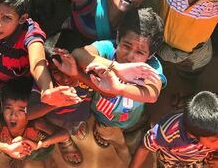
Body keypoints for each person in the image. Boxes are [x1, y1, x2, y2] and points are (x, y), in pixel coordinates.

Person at [65, 8, 166, 163]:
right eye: (126, 46)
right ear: (118, 37)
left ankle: (116, 136)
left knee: (130, 139)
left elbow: (152, 94)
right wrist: (117, 68)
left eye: (140, 53)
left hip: (133, 121)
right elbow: (78, 54)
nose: (130, 57)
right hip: (100, 113)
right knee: (104, 128)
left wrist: (120, 89)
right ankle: (105, 131)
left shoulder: (151, 67)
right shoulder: (107, 48)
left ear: (150, 55)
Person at [0, 78, 70, 165]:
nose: (13, 115)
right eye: (8, 108)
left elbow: (64, 134)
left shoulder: (35, 123)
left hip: (39, 149)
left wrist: (39, 144)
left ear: (33, 110)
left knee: (44, 154)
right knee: (15, 155)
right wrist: (6, 148)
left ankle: (47, 159)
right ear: (2, 105)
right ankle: (18, 159)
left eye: (21, 110)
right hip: (10, 149)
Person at [130, 91, 218, 167]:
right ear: (194, 135)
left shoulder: (217, 125)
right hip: (171, 160)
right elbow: (144, 147)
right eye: (214, 140)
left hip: (195, 158)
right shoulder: (167, 133)